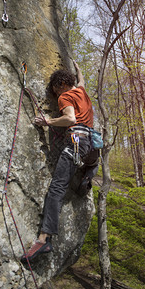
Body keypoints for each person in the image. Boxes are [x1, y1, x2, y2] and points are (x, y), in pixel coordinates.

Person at [21, 60, 99, 264]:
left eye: (55, 90)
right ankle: (87, 176)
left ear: (61, 85)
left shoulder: (66, 95)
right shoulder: (82, 91)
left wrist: (48, 121)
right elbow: (81, 80)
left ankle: (44, 239)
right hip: (93, 144)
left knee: (57, 188)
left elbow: (70, 119)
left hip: (76, 140)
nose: (56, 96)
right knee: (91, 163)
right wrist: (78, 68)